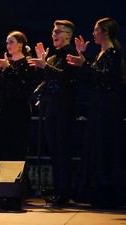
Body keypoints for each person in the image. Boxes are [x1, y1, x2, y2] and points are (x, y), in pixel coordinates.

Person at [66, 17, 125, 208]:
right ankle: (93, 192)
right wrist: (82, 62)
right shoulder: (101, 53)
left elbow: (106, 78)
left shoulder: (113, 53)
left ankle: (106, 193)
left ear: (105, 32)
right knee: (94, 146)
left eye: (96, 30)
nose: (93, 33)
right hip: (98, 105)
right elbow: (92, 79)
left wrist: (84, 64)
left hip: (107, 107)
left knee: (104, 146)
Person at [28, 20, 78, 206]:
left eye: (58, 31)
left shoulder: (71, 53)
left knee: (62, 151)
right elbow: (48, 80)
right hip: (51, 108)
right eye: (53, 31)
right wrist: (43, 65)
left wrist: (45, 66)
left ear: (68, 35)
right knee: (54, 151)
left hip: (64, 108)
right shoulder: (54, 56)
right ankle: (58, 191)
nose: (54, 34)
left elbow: (65, 78)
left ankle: (64, 194)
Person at [0, 31, 37, 161]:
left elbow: (23, 86)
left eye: (11, 42)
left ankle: (17, 180)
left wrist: (8, 68)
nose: (8, 45)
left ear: (20, 44)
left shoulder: (28, 62)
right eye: (7, 42)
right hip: (5, 108)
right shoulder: (6, 63)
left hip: (20, 109)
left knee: (16, 146)